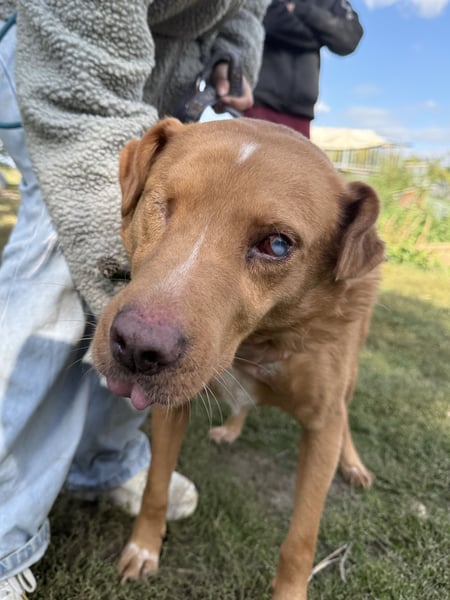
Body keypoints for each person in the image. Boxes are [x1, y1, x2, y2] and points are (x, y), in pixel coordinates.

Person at [0, 1, 269, 597]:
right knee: (63, 238)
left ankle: (102, 462)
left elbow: (250, 5)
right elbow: (80, 83)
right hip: (62, 53)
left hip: (164, 75)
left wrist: (235, 48)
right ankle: (2, 529)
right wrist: (135, 293)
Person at [245, 0, 363, 138]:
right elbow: (266, 19)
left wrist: (300, 9)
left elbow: (349, 38)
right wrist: (317, 37)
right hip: (259, 103)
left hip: (301, 112)